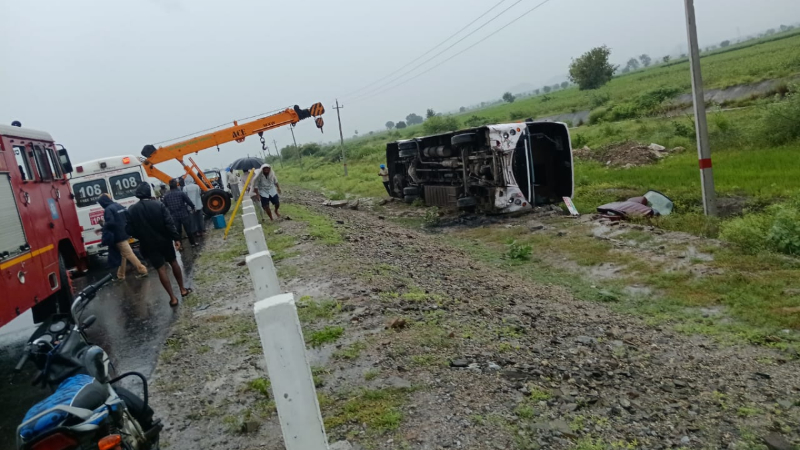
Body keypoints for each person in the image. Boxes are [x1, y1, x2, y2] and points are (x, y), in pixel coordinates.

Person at [125, 183, 191, 307]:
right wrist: (176, 238)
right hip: (164, 240)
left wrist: (141, 236)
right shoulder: (158, 205)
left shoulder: (132, 210)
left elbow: (129, 230)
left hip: (148, 244)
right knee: (173, 262)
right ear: (148, 193)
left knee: (161, 269)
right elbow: (169, 223)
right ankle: (182, 289)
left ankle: (172, 298)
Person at [98, 193, 148, 280]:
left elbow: (111, 223)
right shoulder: (118, 205)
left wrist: (104, 226)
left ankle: (142, 270)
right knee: (123, 255)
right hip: (125, 232)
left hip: (118, 236)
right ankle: (120, 275)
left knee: (128, 254)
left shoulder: (108, 209)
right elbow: (127, 216)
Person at [162, 179, 197, 247]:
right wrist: (193, 207)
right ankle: (193, 243)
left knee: (178, 232)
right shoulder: (181, 193)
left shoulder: (166, 195)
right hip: (183, 214)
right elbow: (188, 201)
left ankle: (180, 246)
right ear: (176, 185)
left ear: (169, 186)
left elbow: (164, 206)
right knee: (188, 230)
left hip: (173, 216)